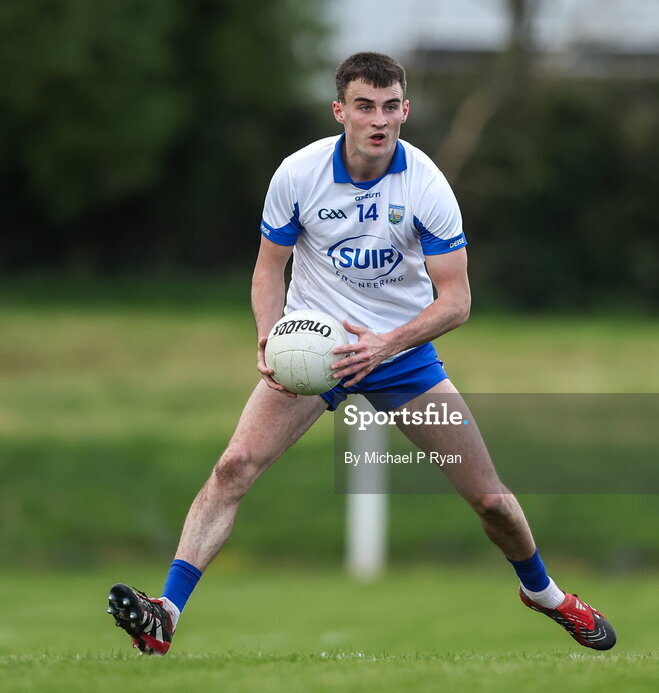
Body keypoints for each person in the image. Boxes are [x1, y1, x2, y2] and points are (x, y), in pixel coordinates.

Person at [107, 52, 615, 655]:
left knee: (489, 500)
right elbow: (269, 269)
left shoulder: (425, 184)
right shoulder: (298, 174)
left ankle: (545, 594)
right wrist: (270, 336)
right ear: (340, 110)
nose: (379, 119)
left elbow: (457, 302)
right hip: (314, 350)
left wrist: (386, 344)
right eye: (365, 106)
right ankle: (166, 612)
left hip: (402, 355)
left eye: (390, 106)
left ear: (406, 109)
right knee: (233, 466)